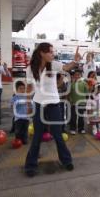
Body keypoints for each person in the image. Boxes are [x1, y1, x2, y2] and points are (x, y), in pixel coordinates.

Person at [24, 43, 80, 177]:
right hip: (39, 104)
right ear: (42, 53)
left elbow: (66, 67)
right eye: (50, 52)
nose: (52, 54)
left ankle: (66, 161)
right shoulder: (30, 69)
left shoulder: (53, 64)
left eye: (52, 52)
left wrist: (75, 61)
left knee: (58, 135)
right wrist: (27, 103)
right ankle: (31, 165)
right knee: (37, 136)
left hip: (54, 105)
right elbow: (29, 87)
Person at [68, 69, 88, 135]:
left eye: (78, 75)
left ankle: (81, 129)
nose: (77, 76)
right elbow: (69, 93)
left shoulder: (84, 83)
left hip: (82, 103)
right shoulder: (71, 83)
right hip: (73, 103)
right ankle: (72, 129)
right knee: (73, 117)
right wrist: (70, 100)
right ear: (73, 76)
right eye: (76, 75)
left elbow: (86, 93)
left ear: (81, 75)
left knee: (81, 117)